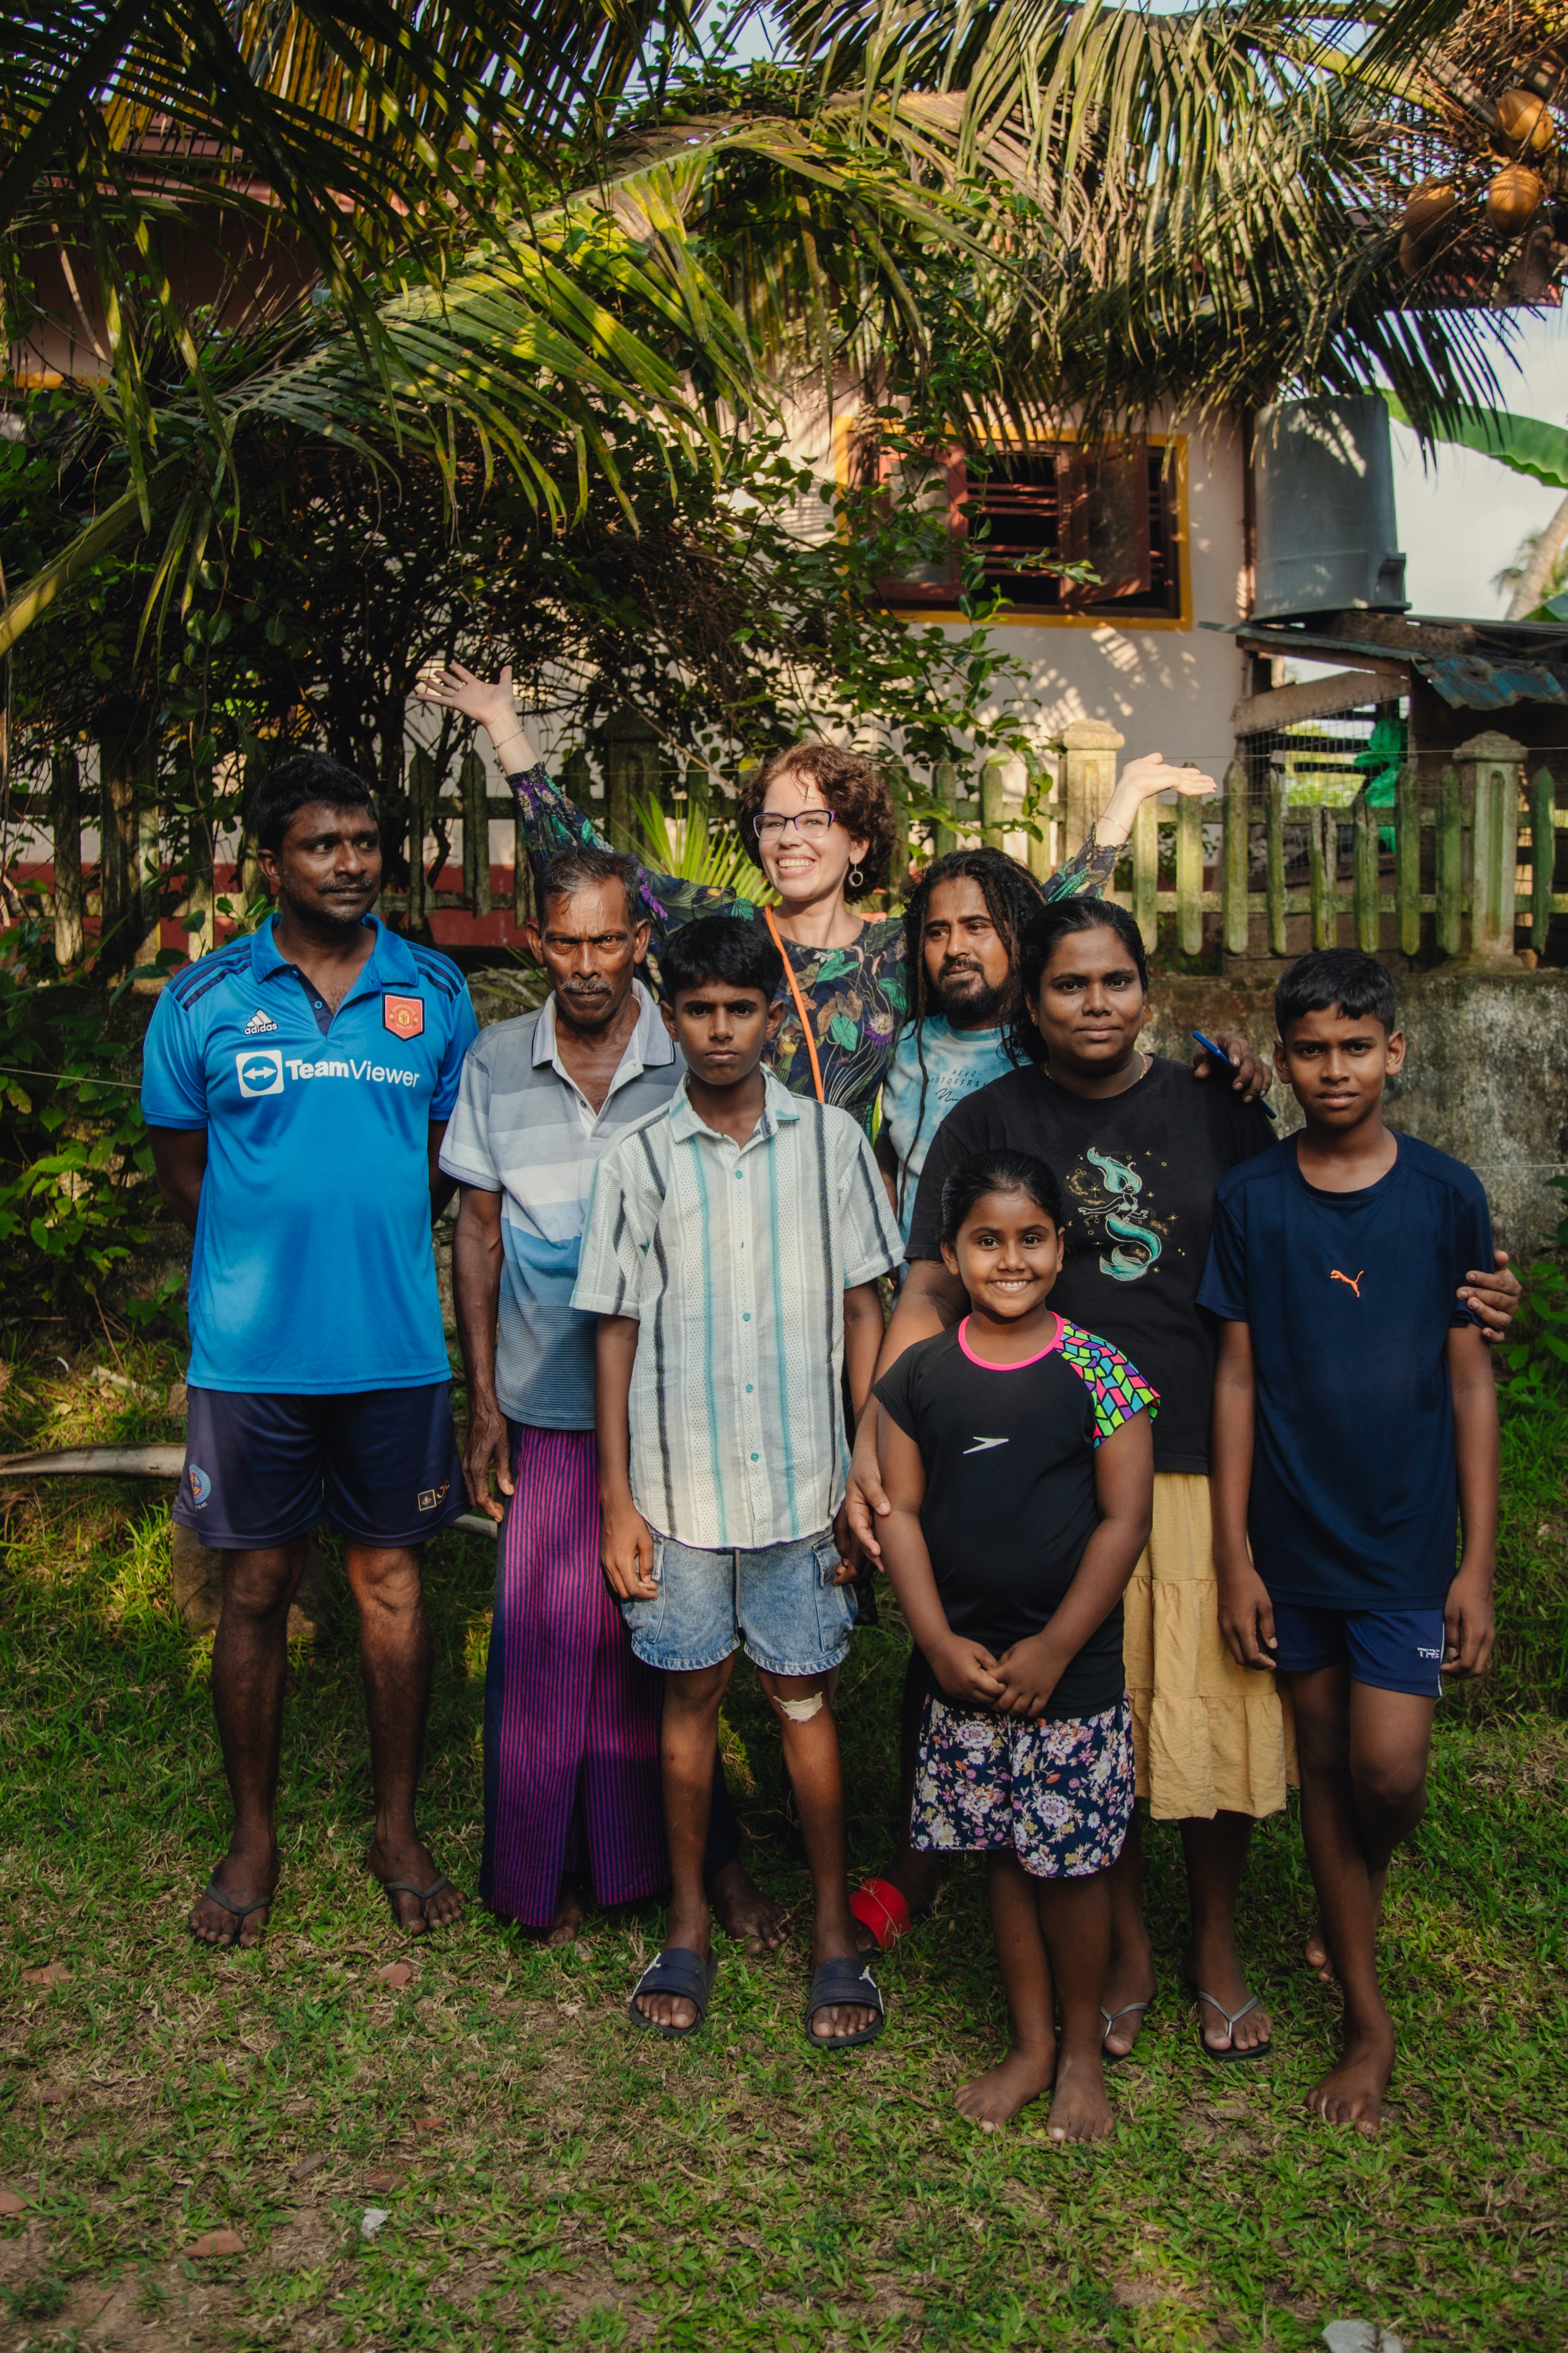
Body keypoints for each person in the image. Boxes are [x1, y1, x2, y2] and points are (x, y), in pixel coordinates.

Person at [848, 899, 1521, 2062]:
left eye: (1117, 981)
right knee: (1099, 1716)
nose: (1095, 1004)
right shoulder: (986, 1118)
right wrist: (876, 1426)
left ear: (1150, 991)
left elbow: (1308, 1240)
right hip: (1048, 1471)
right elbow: (924, 1290)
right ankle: (1122, 1948)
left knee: (1211, 1716)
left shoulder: (1220, 1111)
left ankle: (1214, 1941)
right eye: (1068, 985)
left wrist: (1465, 1295)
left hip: (1204, 1461)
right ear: (1033, 1000)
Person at [142, 753, 477, 1947]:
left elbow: (443, 1165)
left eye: (364, 841)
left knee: (390, 1587)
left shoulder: (434, 993)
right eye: (322, 844)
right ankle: (253, 1835)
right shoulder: (201, 1002)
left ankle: (395, 1826)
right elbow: (186, 1175)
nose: (349, 863)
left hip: (393, 1353)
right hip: (250, 1363)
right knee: (255, 1588)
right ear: (268, 861)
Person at [414, 659, 1226, 1131]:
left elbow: (1033, 923)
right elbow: (582, 862)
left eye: (813, 818)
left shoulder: (905, 945)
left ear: (858, 841)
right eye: (771, 822)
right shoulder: (720, 925)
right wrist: (504, 728)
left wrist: (1121, 804)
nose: (789, 837)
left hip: (857, 1213)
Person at [440, 844, 783, 1949]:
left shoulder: (691, 1049)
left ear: (640, 942)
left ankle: (681, 1862)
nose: (587, 965)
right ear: (535, 943)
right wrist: (483, 1398)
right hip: (545, 1398)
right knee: (545, 1636)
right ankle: (547, 1873)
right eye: (564, 941)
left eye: (608, 940)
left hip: (677, 1404)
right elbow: (478, 1228)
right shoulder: (496, 1060)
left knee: (663, 1637)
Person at [575, 918, 903, 2044]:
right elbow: (613, 1330)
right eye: (700, 1010)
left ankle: (830, 1930)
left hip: (807, 1490)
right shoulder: (639, 1159)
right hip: (679, 1491)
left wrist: (864, 1463)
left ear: (777, 1018)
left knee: (802, 1697)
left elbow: (868, 1304)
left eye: (742, 1010)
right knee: (690, 1702)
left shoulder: (833, 1146)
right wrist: (618, 1498)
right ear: (672, 1020)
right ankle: (687, 1924)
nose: (720, 1031)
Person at [1202, 949, 1498, 2131]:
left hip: (1407, 1542)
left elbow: (1471, 1377)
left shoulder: (1444, 1194)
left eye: (1356, 1048)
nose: (1335, 1071)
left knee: (1391, 1770)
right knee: (1325, 1764)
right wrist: (1233, 1552)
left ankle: (1354, 1897)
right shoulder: (1254, 1201)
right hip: (1291, 1537)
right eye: (1312, 1050)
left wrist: (1475, 1559)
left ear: (1396, 1054)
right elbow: (1233, 1381)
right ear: (1282, 1061)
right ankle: (1366, 2019)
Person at [874, 1147, 1156, 2139]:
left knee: (1070, 1865)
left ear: (1061, 1247)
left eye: (1031, 1238)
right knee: (1002, 1853)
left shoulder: (1101, 1371)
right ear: (950, 1253)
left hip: (1067, 1674)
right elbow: (901, 1513)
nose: (1010, 1259)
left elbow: (1124, 1522)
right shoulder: (919, 1376)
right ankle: (1031, 2044)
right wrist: (938, 1643)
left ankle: (1082, 2051)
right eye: (986, 1241)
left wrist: (1054, 1648)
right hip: (968, 1670)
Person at [875, 847, 1046, 1236]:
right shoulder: (906, 1046)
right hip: (919, 1291)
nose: (954, 949)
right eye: (938, 932)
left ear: (1016, 937)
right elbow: (893, 1142)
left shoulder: (1049, 1049)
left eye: (976, 926)